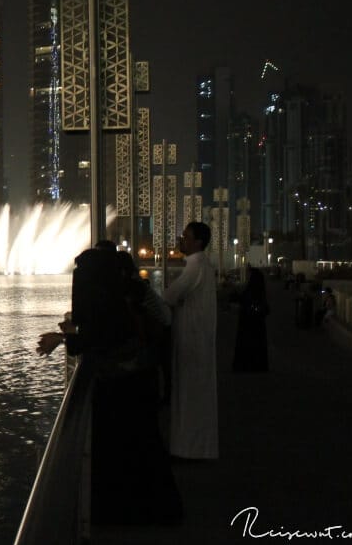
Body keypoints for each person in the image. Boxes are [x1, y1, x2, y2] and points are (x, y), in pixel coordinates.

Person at [37, 246, 182, 524]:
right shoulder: (118, 295)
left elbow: (102, 335)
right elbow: (100, 330)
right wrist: (66, 337)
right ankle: (147, 509)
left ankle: (129, 513)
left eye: (82, 274)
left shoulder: (109, 300)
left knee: (129, 449)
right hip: (136, 383)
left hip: (123, 386)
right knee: (141, 449)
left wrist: (62, 339)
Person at [162, 221, 219, 460]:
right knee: (197, 397)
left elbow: (169, 295)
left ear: (198, 242)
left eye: (185, 237)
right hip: (198, 338)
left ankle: (189, 449)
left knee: (189, 398)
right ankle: (196, 448)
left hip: (192, 340)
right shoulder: (202, 266)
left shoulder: (195, 267)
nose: (181, 240)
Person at [232, 266, 270, 372]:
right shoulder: (259, 291)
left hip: (247, 321)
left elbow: (244, 300)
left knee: (246, 343)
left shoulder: (250, 291)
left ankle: (246, 365)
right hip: (257, 322)